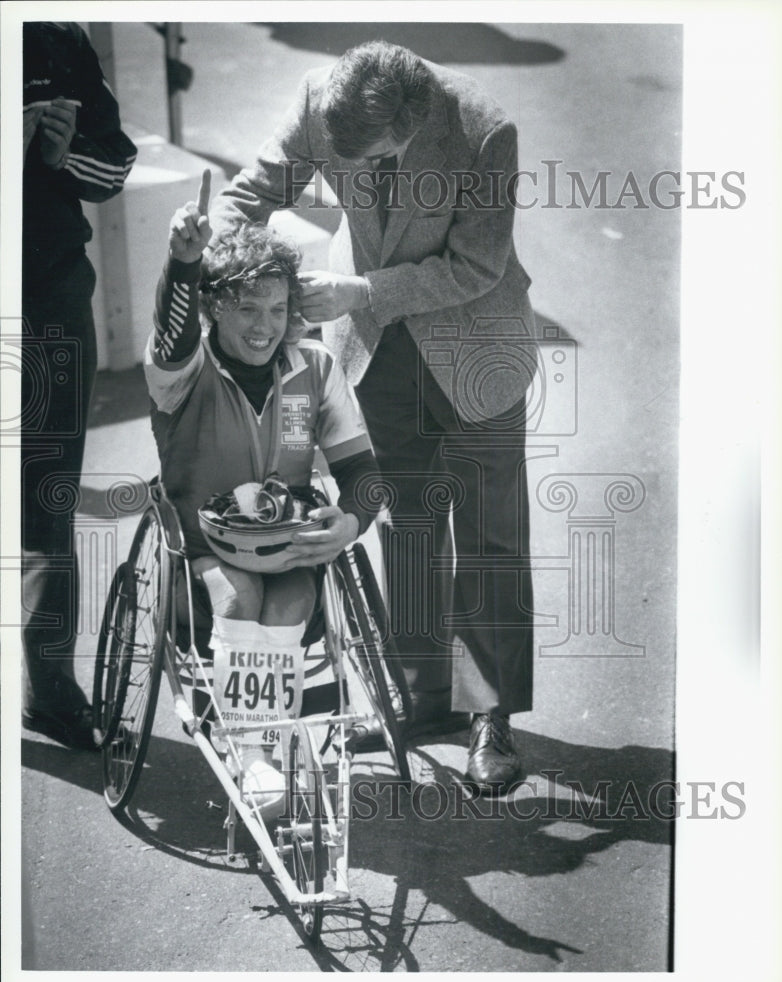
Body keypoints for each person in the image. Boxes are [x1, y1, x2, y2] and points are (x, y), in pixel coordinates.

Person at [209, 40, 539, 795]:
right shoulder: (322, 98)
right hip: (380, 355)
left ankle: (490, 716)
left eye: (378, 157)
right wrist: (214, 260)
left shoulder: (485, 130)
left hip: (475, 347)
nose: (350, 170)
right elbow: (254, 190)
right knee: (406, 522)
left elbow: (478, 266)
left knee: (489, 533)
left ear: (414, 124)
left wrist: (361, 291)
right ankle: (424, 699)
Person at [144, 170, 380, 811]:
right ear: (215, 305)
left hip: (288, 549)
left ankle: (264, 747)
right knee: (239, 594)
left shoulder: (317, 366)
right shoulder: (183, 371)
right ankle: (253, 755)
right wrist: (182, 262)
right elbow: (170, 334)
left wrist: (349, 523)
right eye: (247, 308)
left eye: (278, 310)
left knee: (291, 600)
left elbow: (364, 477)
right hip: (203, 551)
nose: (264, 326)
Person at [21, 22, 138, 750]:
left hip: (48, 293)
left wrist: (61, 154)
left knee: (45, 500)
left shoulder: (57, 37)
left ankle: (50, 689)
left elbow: (115, 167)